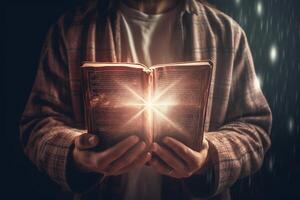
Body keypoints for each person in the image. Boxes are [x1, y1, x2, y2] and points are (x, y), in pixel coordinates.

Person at [20, 0, 272, 199]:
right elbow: (37, 125)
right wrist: (76, 155)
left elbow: (254, 130)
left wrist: (209, 157)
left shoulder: (227, 33)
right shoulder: (71, 30)